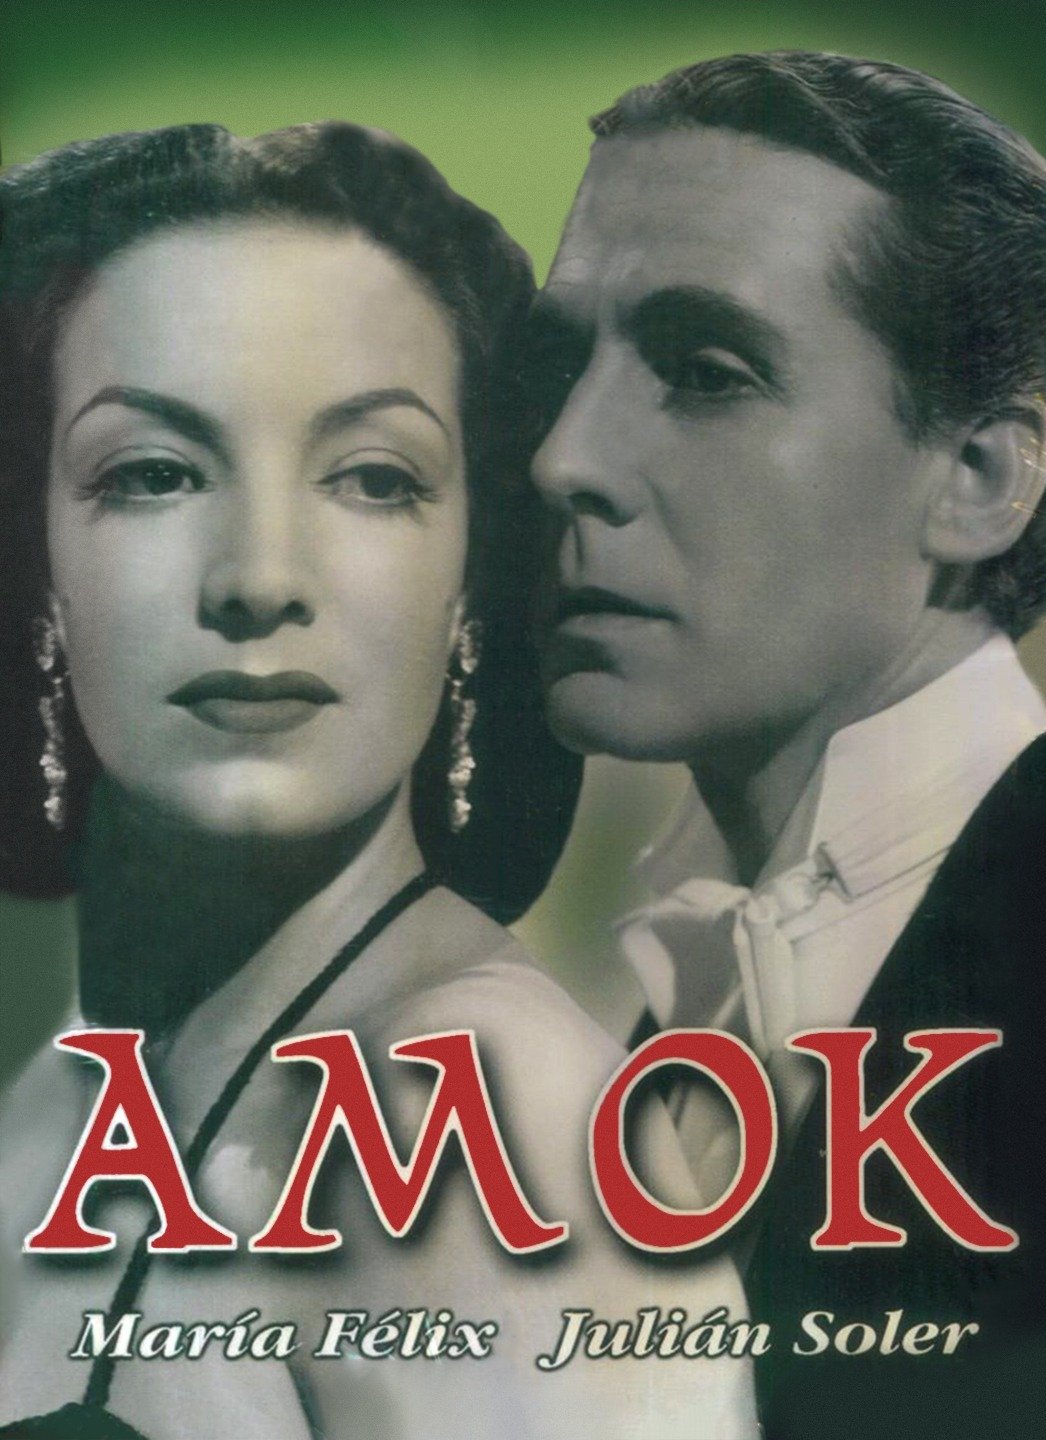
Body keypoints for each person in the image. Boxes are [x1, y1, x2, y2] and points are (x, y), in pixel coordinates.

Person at [0, 123, 756, 1439]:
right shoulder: (62, 1095)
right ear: (36, 564)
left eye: (372, 478)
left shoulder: (482, 1125)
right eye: (154, 473)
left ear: (473, 579)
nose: (260, 579)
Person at [527, 52, 1046, 1438]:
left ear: (980, 478)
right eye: (560, 364)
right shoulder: (690, 975)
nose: (562, 458)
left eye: (707, 374)